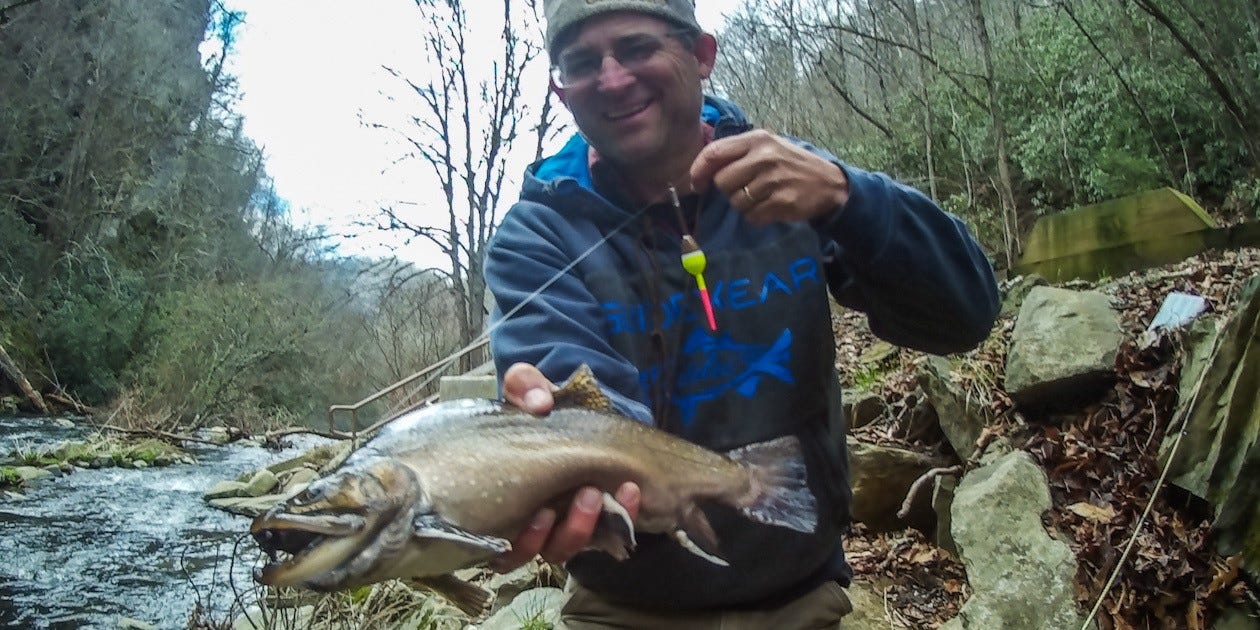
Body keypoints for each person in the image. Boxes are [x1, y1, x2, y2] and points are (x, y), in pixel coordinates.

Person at [482, 1, 1000, 627]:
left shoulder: (789, 175)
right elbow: (589, 408)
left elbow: (966, 314)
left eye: (638, 47)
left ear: (702, 55)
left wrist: (848, 198)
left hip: (803, 597)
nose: (613, 78)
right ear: (563, 94)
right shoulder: (536, 237)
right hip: (624, 609)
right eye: (583, 62)